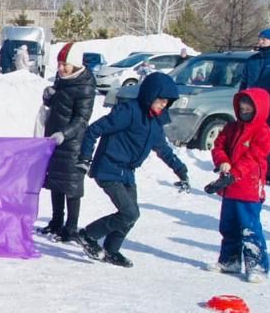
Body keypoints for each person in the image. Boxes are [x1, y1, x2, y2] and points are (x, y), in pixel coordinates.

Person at [75, 72, 190, 268]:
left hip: (126, 171)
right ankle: (88, 235)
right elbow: (93, 130)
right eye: (161, 100)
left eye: (167, 102)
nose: (163, 105)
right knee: (129, 213)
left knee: (131, 215)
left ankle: (111, 250)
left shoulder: (156, 123)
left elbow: (163, 150)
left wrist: (181, 170)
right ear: (150, 94)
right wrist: (85, 157)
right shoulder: (128, 112)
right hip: (108, 167)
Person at [206, 88, 270, 283]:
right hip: (230, 188)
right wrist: (222, 161)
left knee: (249, 228)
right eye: (241, 106)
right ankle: (230, 260)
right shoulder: (232, 128)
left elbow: (254, 157)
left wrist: (235, 173)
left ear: (258, 108)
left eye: (248, 107)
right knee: (228, 226)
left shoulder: (263, 132)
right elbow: (219, 145)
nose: (244, 110)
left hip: (249, 189)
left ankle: (257, 266)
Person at [37, 47, 96, 243]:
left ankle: (70, 227)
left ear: (76, 65)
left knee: (71, 186)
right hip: (54, 138)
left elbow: (82, 119)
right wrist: (49, 96)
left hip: (72, 143)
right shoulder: (62, 80)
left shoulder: (85, 86)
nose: (61, 68)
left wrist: (65, 134)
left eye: (65, 64)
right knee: (56, 182)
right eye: (59, 64)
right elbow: (56, 105)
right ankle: (56, 221)